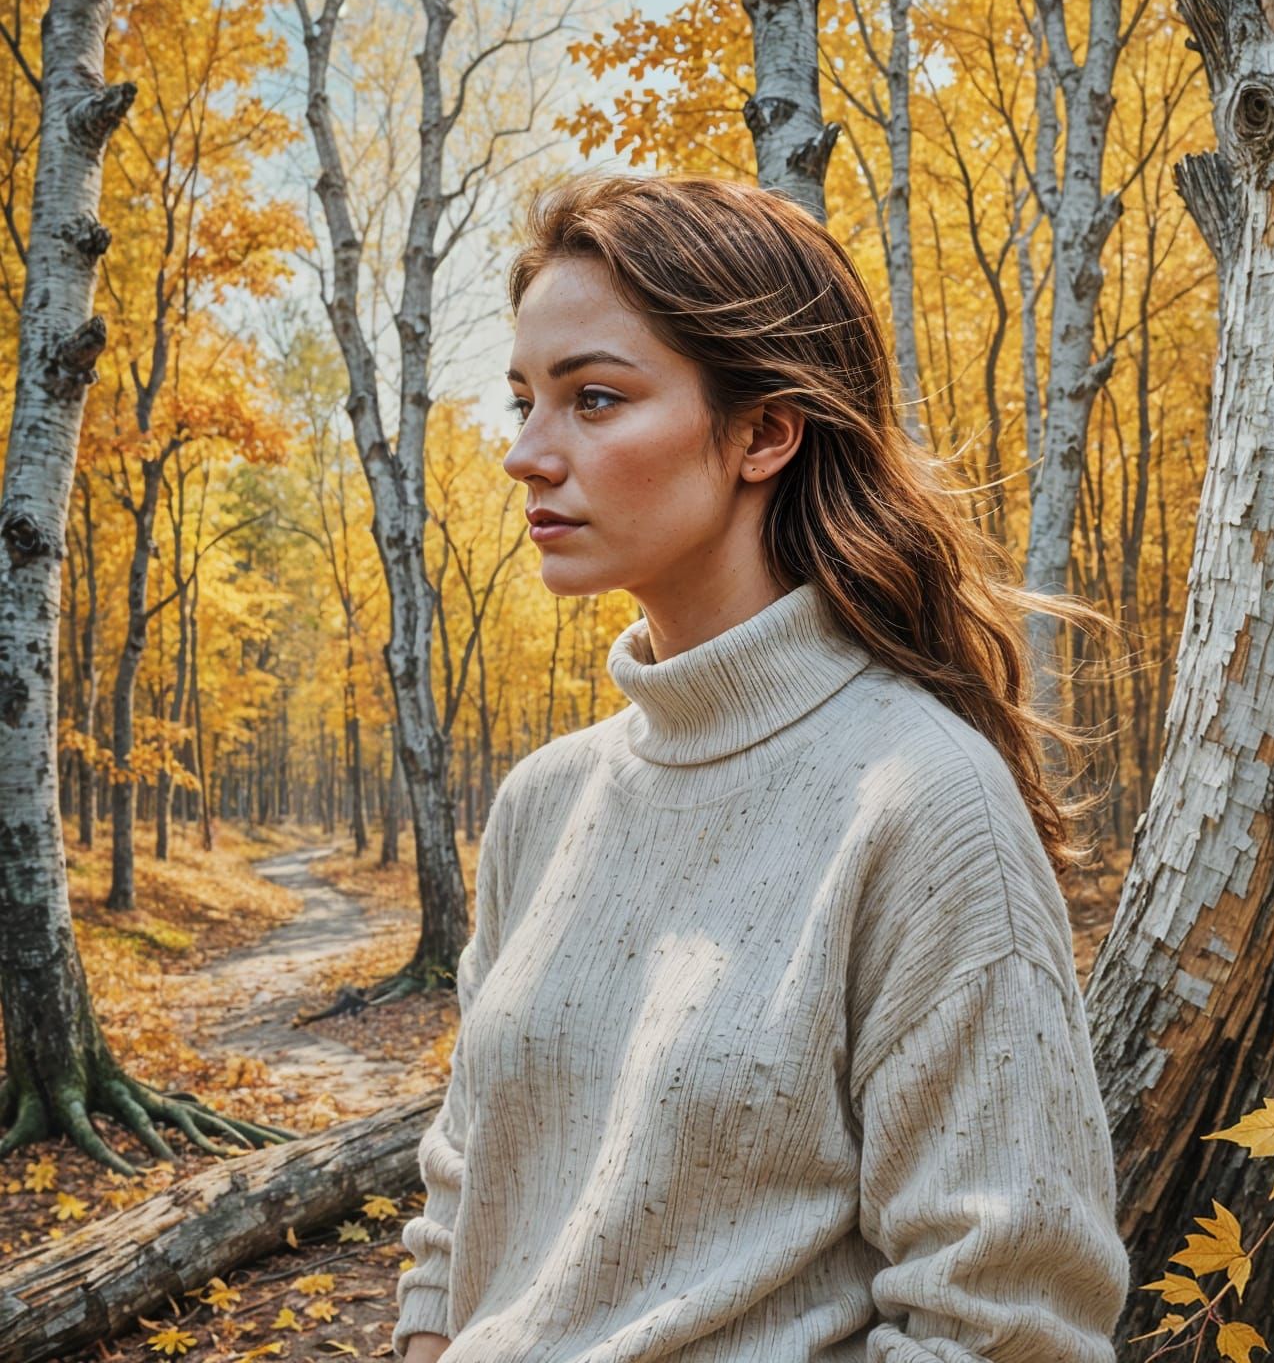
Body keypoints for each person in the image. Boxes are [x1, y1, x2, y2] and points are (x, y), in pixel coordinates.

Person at [392, 173, 1131, 1363]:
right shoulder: (542, 803)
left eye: (593, 399)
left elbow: (1007, 1324)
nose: (528, 454)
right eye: (524, 400)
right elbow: (463, 1195)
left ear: (764, 433)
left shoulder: (923, 802)